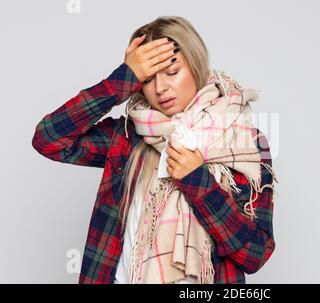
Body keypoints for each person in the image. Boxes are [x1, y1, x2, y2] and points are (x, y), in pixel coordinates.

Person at [32, 15, 277, 284]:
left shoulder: (244, 143)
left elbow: (255, 254)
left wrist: (198, 181)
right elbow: (49, 138)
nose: (161, 88)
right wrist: (123, 79)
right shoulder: (128, 137)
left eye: (172, 72)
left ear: (196, 66)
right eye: (147, 80)